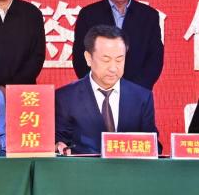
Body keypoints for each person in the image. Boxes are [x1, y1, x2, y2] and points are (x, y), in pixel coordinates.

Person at [57, 25, 158, 155]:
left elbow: (153, 146)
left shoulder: (141, 98)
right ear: (88, 58)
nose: (113, 68)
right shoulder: (65, 98)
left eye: (119, 60)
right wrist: (59, 145)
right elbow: (59, 142)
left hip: (129, 167)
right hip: (83, 167)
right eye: (106, 60)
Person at [72, 0, 164, 90]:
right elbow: (80, 56)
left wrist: (135, 89)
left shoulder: (148, 16)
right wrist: (98, 88)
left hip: (137, 92)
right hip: (98, 93)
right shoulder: (89, 14)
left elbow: (155, 58)